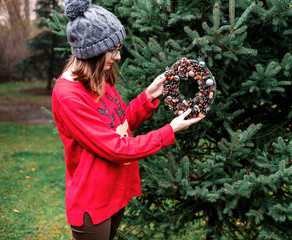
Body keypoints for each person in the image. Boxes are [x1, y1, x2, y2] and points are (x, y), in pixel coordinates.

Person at [52, 0, 204, 239]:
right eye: (113, 50)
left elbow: (120, 122)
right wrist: (169, 131)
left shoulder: (98, 78)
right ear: (93, 52)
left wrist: (149, 95)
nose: (119, 56)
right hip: (93, 200)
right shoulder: (68, 96)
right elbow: (115, 148)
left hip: (115, 189)